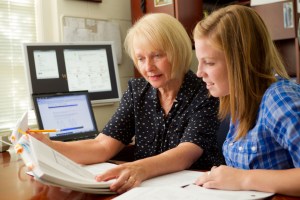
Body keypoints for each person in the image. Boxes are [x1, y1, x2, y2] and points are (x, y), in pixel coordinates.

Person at [29, 13, 224, 194]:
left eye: (157, 55)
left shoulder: (206, 92)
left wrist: (138, 168)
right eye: (141, 58)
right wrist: (48, 147)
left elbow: (186, 153)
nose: (148, 67)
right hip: (146, 190)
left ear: (178, 52)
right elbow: (102, 146)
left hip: (196, 190)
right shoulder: (137, 91)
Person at [193, 4, 300, 197]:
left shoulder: (279, 100)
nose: (199, 72)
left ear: (241, 61)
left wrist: (243, 179)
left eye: (209, 62)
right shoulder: (239, 100)